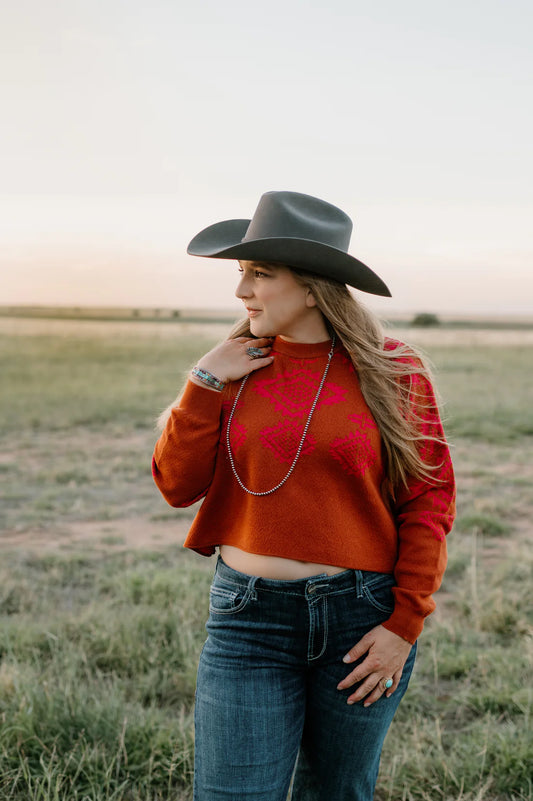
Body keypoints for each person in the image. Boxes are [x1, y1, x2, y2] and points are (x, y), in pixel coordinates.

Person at [152, 191, 456, 801]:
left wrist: (404, 623)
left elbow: (429, 500)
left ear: (314, 288)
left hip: (361, 620)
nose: (242, 291)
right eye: (241, 272)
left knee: (338, 793)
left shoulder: (393, 371)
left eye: (260, 273)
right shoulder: (231, 369)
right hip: (248, 623)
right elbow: (176, 487)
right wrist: (203, 382)